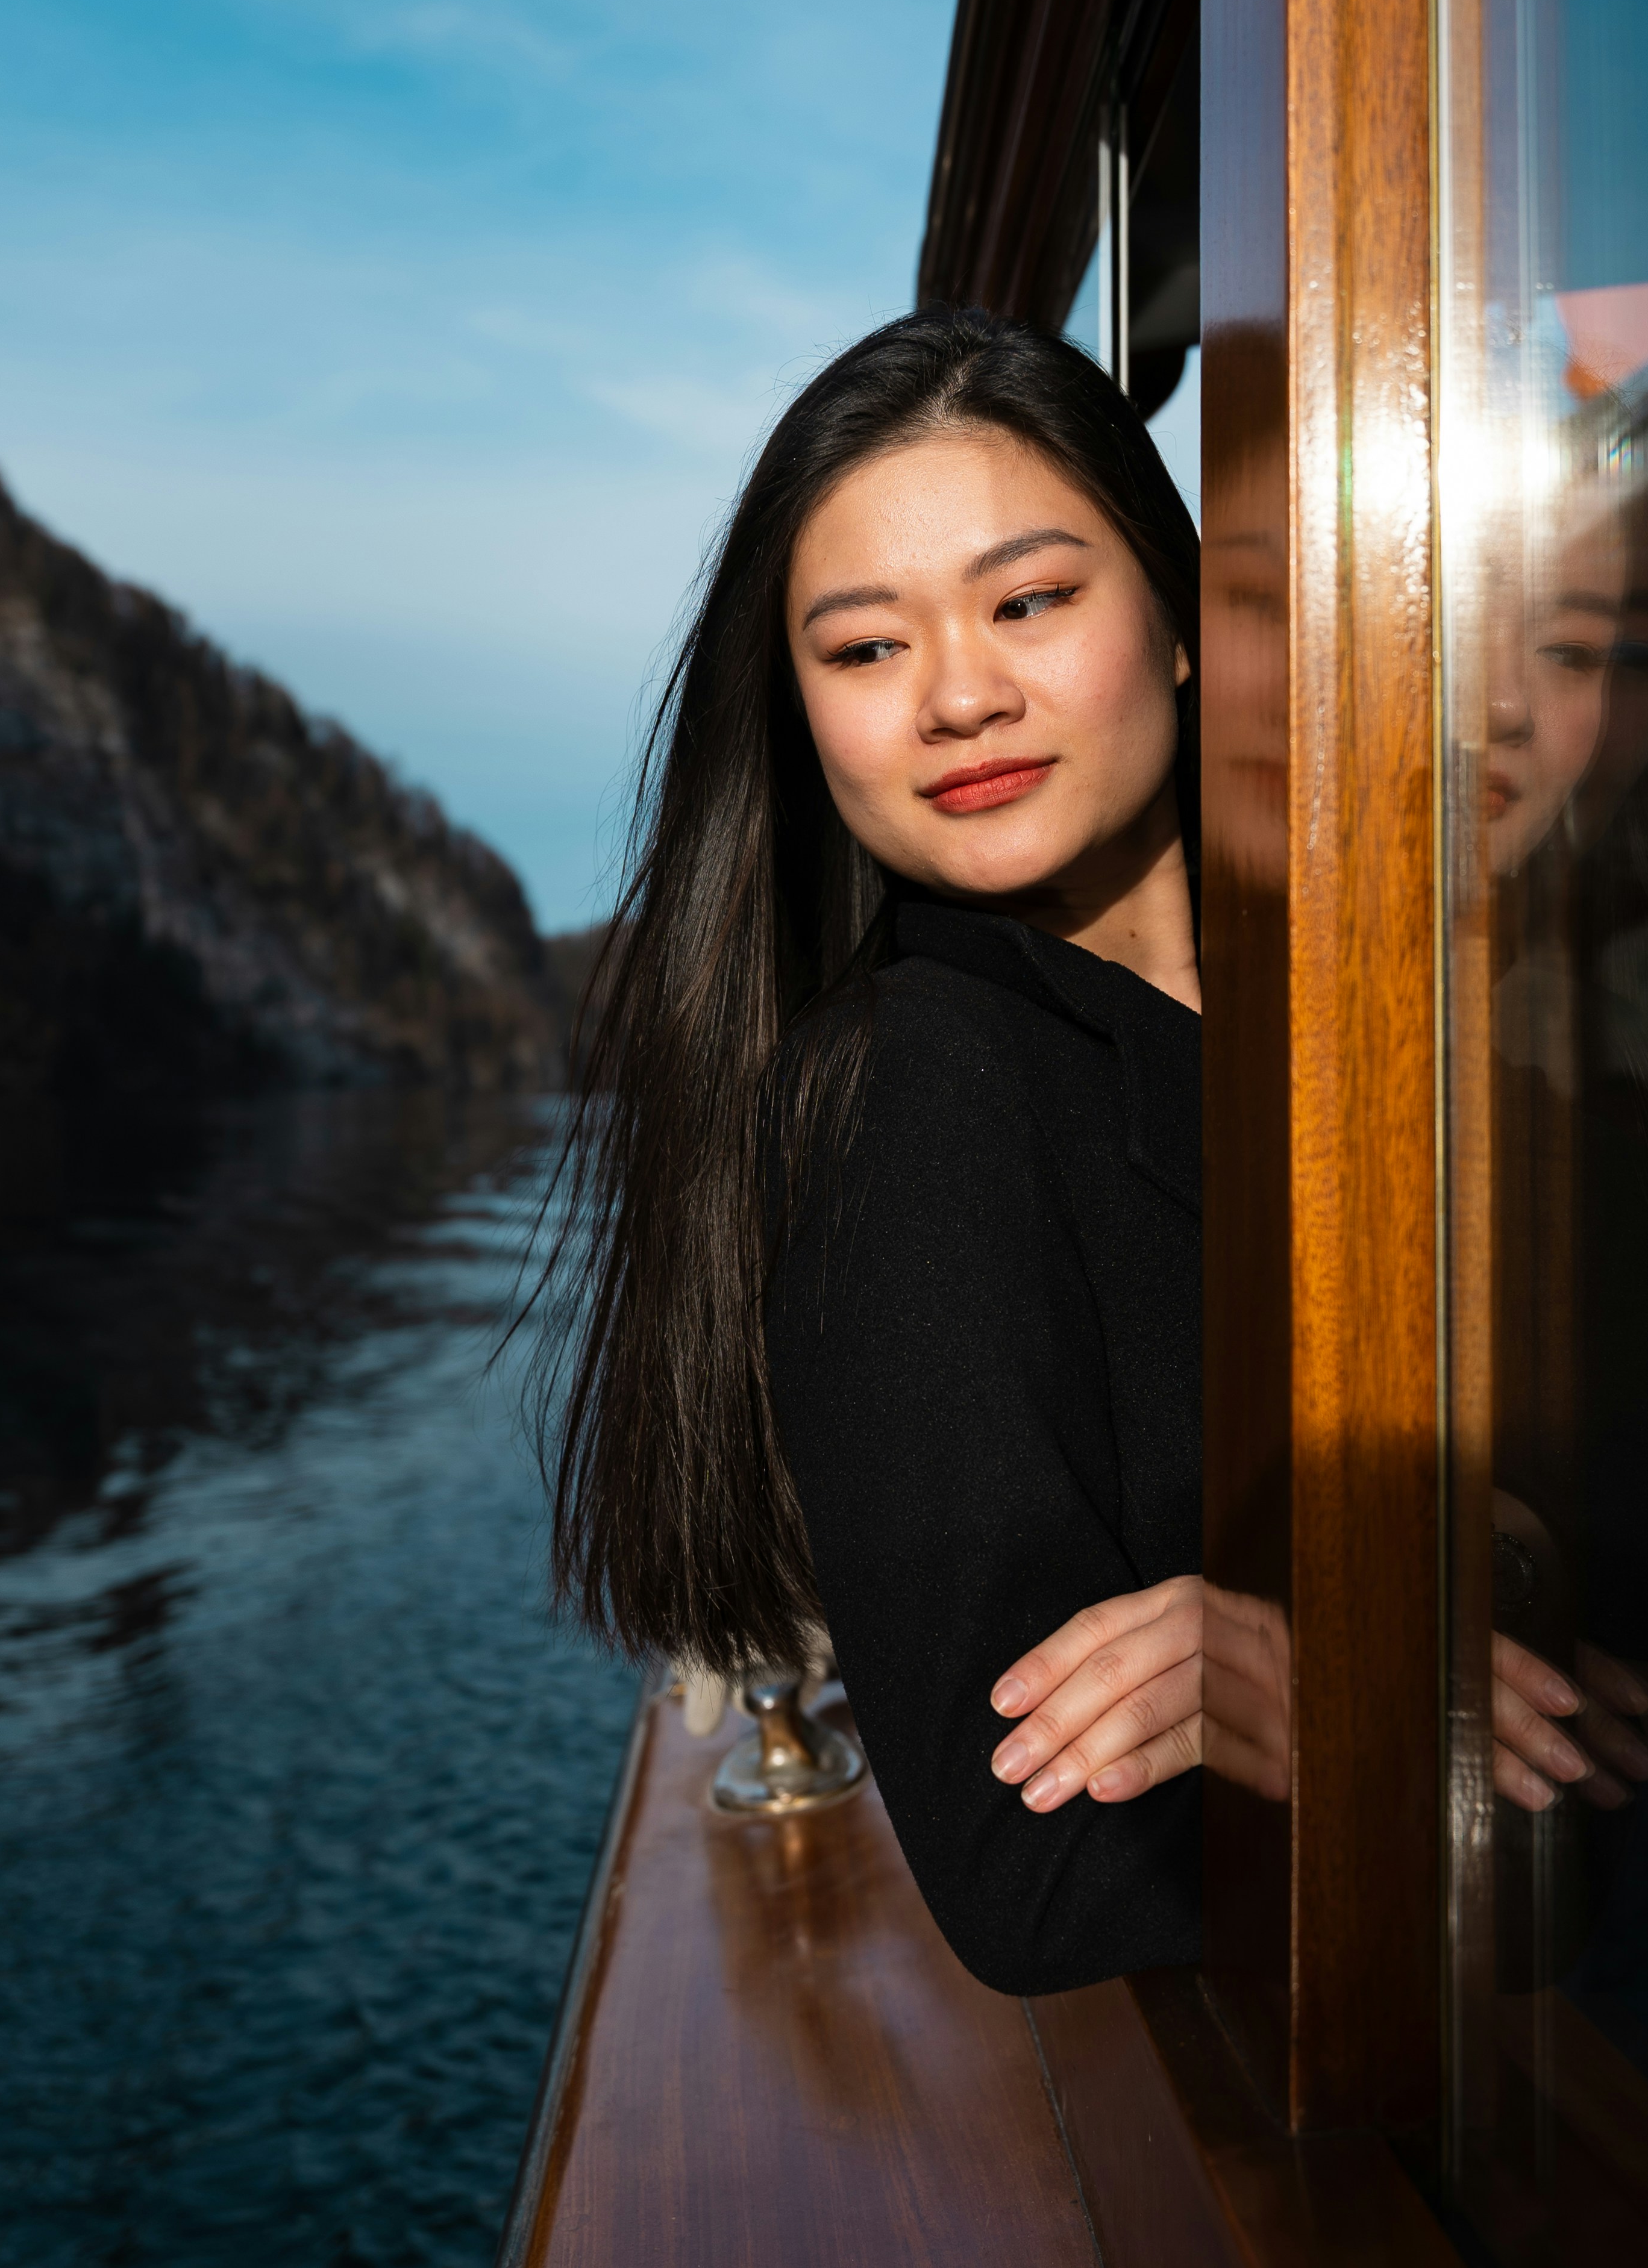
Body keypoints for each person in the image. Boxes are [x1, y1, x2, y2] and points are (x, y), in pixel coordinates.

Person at [531, 307, 1594, 1998]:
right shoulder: (911, 1083)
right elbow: (1034, 1866)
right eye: (864, 649)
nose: (960, 695)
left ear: (1175, 619)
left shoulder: (1401, 1002)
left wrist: (1424, 1591)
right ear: (802, 715)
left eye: (1029, 601)